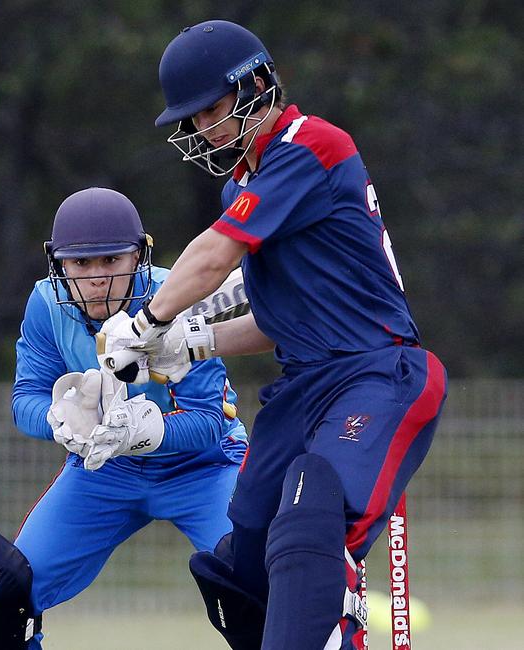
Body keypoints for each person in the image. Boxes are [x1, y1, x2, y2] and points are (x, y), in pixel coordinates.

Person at [100, 20, 448, 650]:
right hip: (304, 388)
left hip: (377, 374)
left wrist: (148, 321)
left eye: (211, 110)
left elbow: (214, 256)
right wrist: (193, 344)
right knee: (238, 569)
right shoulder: (247, 182)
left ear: (256, 85)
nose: (202, 129)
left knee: (312, 503)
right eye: (195, 118)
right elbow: (275, 317)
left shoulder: (310, 144)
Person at [0, 187, 247, 650]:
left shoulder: (179, 293)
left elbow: (209, 422)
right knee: (1, 589)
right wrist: (60, 419)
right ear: (59, 264)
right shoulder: (46, 305)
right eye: (81, 264)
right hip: (104, 471)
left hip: (202, 466)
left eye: (112, 261)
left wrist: (138, 433)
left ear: (140, 256)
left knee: (253, 581)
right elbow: (25, 398)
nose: (97, 278)